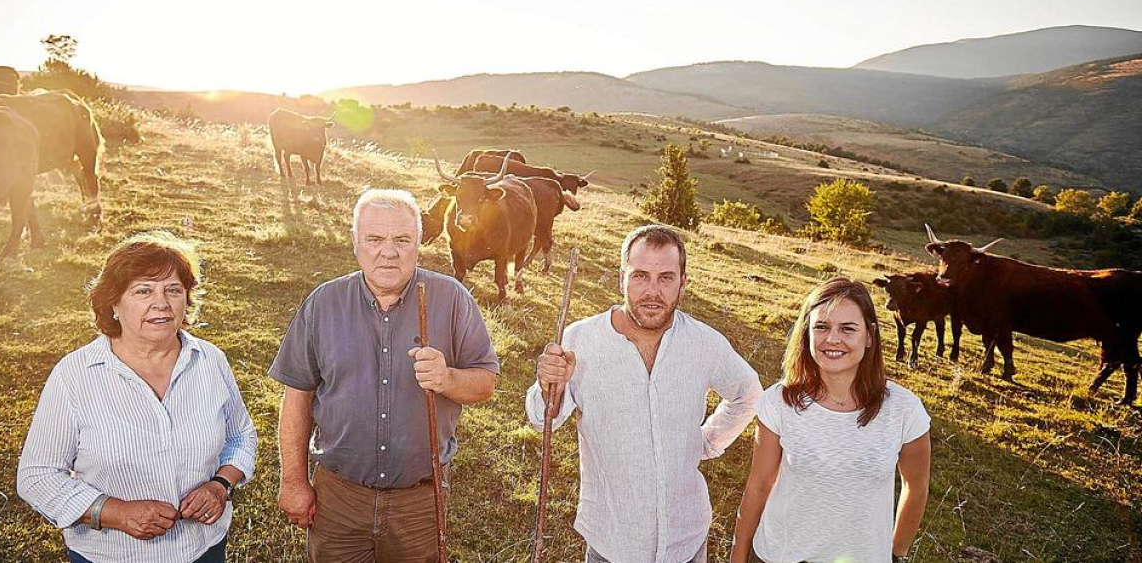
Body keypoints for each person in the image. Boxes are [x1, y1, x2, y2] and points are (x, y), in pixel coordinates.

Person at [269, 188, 499, 563]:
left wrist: (447, 379)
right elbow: (297, 397)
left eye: (402, 240)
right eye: (374, 239)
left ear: (419, 244)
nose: (388, 251)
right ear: (355, 243)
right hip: (340, 497)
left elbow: (485, 384)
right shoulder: (324, 303)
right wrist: (294, 481)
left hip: (420, 501)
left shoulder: (452, 299)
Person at [16, 231, 258, 563]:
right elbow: (37, 475)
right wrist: (115, 512)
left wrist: (220, 486)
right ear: (113, 303)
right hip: (110, 556)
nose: (161, 303)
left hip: (204, 549)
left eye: (173, 290)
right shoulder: (75, 375)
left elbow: (241, 435)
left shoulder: (210, 360)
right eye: (143, 291)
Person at [529, 224, 763, 563]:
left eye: (666, 278)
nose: (652, 291)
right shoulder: (581, 339)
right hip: (613, 541)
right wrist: (549, 384)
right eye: (640, 276)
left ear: (683, 282)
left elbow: (748, 393)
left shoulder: (704, 343)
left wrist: (708, 441)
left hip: (687, 538)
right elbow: (542, 420)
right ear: (621, 278)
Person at [729, 277, 931, 563]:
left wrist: (897, 553)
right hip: (778, 555)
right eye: (821, 327)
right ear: (807, 333)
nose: (832, 339)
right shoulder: (780, 401)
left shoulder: (904, 410)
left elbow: (916, 486)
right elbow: (759, 484)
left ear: (870, 335)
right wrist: (738, 556)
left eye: (848, 329)